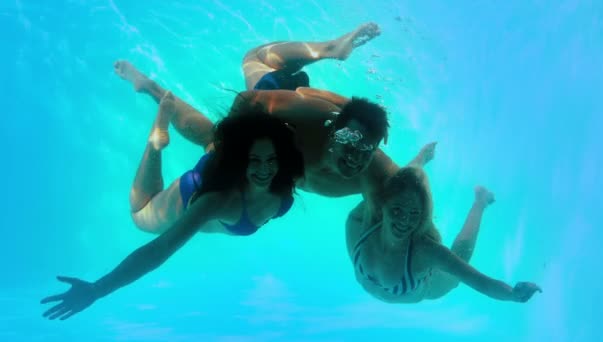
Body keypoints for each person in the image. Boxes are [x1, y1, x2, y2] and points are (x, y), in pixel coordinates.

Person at [40, 104, 305, 320]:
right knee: (139, 213)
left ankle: (157, 93)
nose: (264, 170)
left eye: (271, 160)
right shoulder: (219, 202)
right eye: (254, 161)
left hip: (219, 168)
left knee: (214, 143)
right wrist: (97, 289)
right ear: (241, 161)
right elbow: (159, 249)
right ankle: (155, 142)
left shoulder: (283, 186)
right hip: (187, 196)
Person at [113, 22, 398, 213]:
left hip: (272, 168)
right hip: (275, 121)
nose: (355, 156)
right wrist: (233, 141)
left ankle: (153, 90)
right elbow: (257, 100)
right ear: (336, 132)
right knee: (253, 64)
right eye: (350, 142)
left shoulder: (371, 169)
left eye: (365, 149)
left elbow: (409, 190)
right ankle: (153, 90)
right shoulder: (321, 122)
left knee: (213, 133)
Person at [345, 143, 542, 303]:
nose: (404, 221)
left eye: (414, 213)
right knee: (402, 186)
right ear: (383, 206)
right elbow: (397, 182)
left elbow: (479, 281)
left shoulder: (425, 251)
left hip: (429, 287)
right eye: (397, 210)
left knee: (460, 255)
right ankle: (422, 159)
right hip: (387, 213)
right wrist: (420, 159)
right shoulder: (361, 220)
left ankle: (480, 202)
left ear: (422, 216)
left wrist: (512, 294)